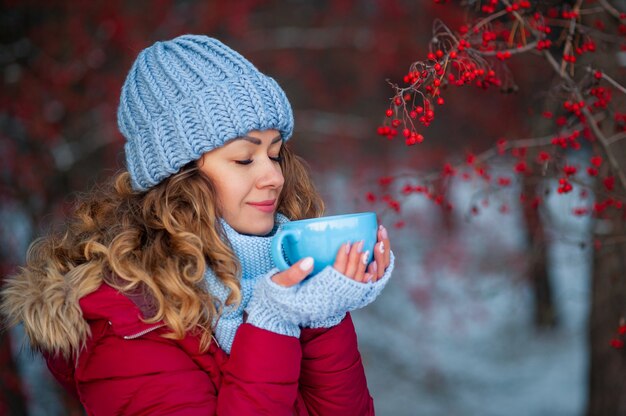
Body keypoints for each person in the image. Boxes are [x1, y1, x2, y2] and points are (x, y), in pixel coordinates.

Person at [1, 35, 394, 415]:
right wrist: (272, 323)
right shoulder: (122, 320)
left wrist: (323, 314)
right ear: (178, 178)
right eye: (244, 159)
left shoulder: (280, 273)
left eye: (275, 155)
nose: (274, 177)